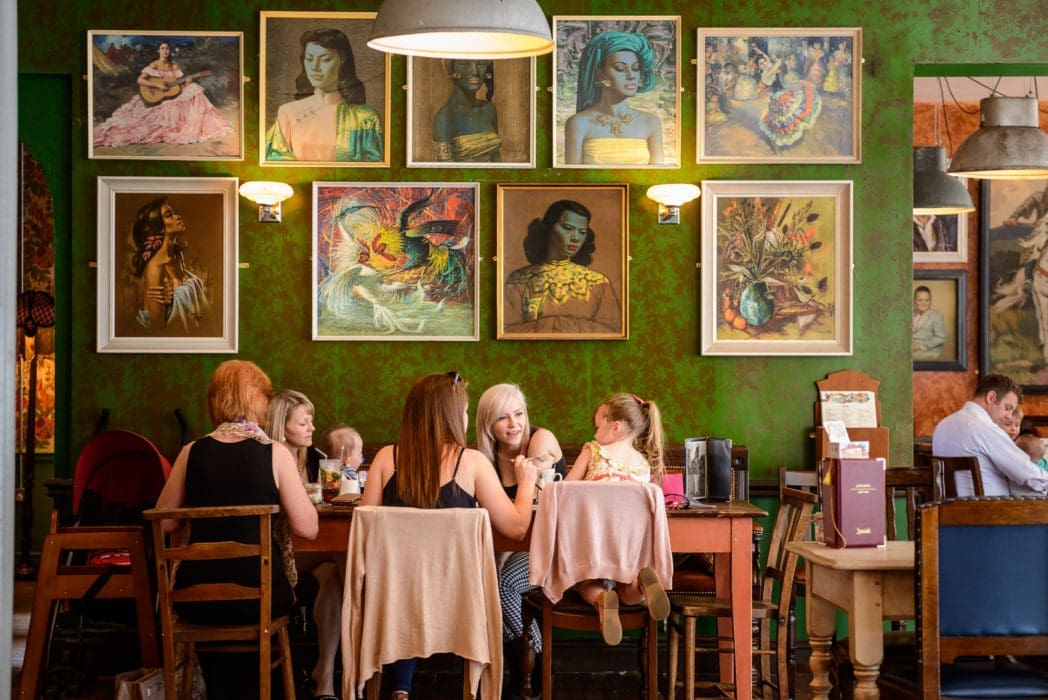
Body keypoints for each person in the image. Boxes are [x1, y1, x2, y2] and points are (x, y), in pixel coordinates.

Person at [359, 372, 538, 699]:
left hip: (397, 594)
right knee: (423, 587)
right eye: (465, 411)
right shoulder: (472, 463)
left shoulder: (386, 458)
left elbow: (366, 531)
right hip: (459, 597)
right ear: (451, 416)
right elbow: (516, 528)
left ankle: (399, 688)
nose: (466, 418)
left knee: (406, 588)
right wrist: (526, 483)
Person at [154, 360, 318, 696]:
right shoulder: (275, 453)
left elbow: (165, 522)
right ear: (258, 401)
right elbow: (307, 528)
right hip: (260, 598)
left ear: (215, 401)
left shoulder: (190, 452)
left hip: (197, 599)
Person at [475, 383, 564, 694]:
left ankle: (537, 662)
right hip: (507, 549)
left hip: (554, 547)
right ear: (488, 424)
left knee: (504, 585)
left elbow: (526, 515)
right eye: (503, 417)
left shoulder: (541, 439)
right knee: (483, 587)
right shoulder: (484, 460)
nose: (514, 424)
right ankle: (521, 668)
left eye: (519, 414)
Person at [563, 393, 670, 645]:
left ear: (616, 427)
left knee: (586, 585)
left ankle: (602, 599)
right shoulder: (643, 464)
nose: (595, 433)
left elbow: (564, 492)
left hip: (595, 547)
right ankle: (641, 581)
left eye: (597, 426)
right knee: (630, 594)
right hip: (630, 551)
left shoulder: (593, 451)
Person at [267, 390, 341, 699]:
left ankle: (325, 674)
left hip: (312, 551)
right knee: (343, 558)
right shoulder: (270, 460)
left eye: (311, 420)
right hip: (280, 551)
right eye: (303, 422)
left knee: (335, 577)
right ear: (281, 427)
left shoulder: (315, 460)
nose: (312, 427)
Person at [503, 200, 622, 334]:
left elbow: (613, 332)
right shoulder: (518, 280)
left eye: (582, 232)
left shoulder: (599, 282)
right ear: (549, 228)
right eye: (568, 228)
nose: (575, 238)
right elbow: (506, 331)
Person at [265, 28, 383, 162]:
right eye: (309, 59)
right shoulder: (288, 112)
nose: (314, 67)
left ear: (342, 63)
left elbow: (374, 167)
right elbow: (275, 160)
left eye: (325, 60)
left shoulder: (364, 118)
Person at [93, 40, 233, 149]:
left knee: (194, 87)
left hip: (172, 95)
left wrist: (187, 82)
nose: (165, 51)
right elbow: (140, 80)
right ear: (158, 50)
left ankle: (198, 122)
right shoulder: (154, 65)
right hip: (155, 95)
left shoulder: (174, 66)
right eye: (162, 48)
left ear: (169, 51)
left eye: (167, 48)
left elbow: (177, 87)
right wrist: (157, 85)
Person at [931, 373, 1048, 497]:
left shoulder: (942, 425)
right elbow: (1025, 471)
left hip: (947, 506)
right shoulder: (985, 428)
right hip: (989, 507)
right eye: (1007, 408)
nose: (1009, 416)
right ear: (991, 397)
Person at [564, 31, 664, 165]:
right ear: (601, 74)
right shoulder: (579, 123)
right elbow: (572, 175)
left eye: (635, 68)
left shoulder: (650, 122)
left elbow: (658, 174)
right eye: (620, 68)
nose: (631, 76)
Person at [128, 198, 212, 332]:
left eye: (173, 213)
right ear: (159, 227)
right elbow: (156, 325)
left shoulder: (176, 255)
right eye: (169, 215)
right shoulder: (155, 267)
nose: (177, 216)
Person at [432, 59, 501, 162]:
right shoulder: (445, 117)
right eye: (465, 64)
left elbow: (496, 160)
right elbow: (447, 169)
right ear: (452, 71)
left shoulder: (489, 109)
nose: (475, 72)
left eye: (481, 65)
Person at [912, 285, 946, 358]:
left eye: (927, 300)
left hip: (927, 351)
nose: (924, 303)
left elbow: (940, 338)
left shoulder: (936, 316)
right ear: (914, 301)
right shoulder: (911, 314)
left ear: (931, 301)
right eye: (920, 300)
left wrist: (920, 346)